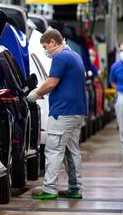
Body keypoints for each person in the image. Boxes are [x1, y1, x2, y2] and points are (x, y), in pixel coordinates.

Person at [27, 28, 87, 199]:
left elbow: (52, 83)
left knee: (53, 150)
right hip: (76, 112)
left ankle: (49, 188)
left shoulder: (61, 57)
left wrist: (36, 94)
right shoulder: (74, 55)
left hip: (63, 113)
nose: (46, 50)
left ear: (53, 42)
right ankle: (75, 188)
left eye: (46, 47)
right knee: (71, 151)